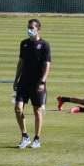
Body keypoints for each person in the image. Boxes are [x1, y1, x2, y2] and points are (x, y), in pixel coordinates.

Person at [13, 19, 51, 149]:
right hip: (24, 82)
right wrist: (16, 79)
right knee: (18, 108)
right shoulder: (24, 44)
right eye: (28, 27)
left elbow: (47, 65)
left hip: (37, 83)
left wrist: (43, 81)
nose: (29, 29)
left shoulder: (44, 45)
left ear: (38, 29)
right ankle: (25, 136)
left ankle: (37, 138)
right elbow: (21, 63)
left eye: (32, 27)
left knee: (37, 110)